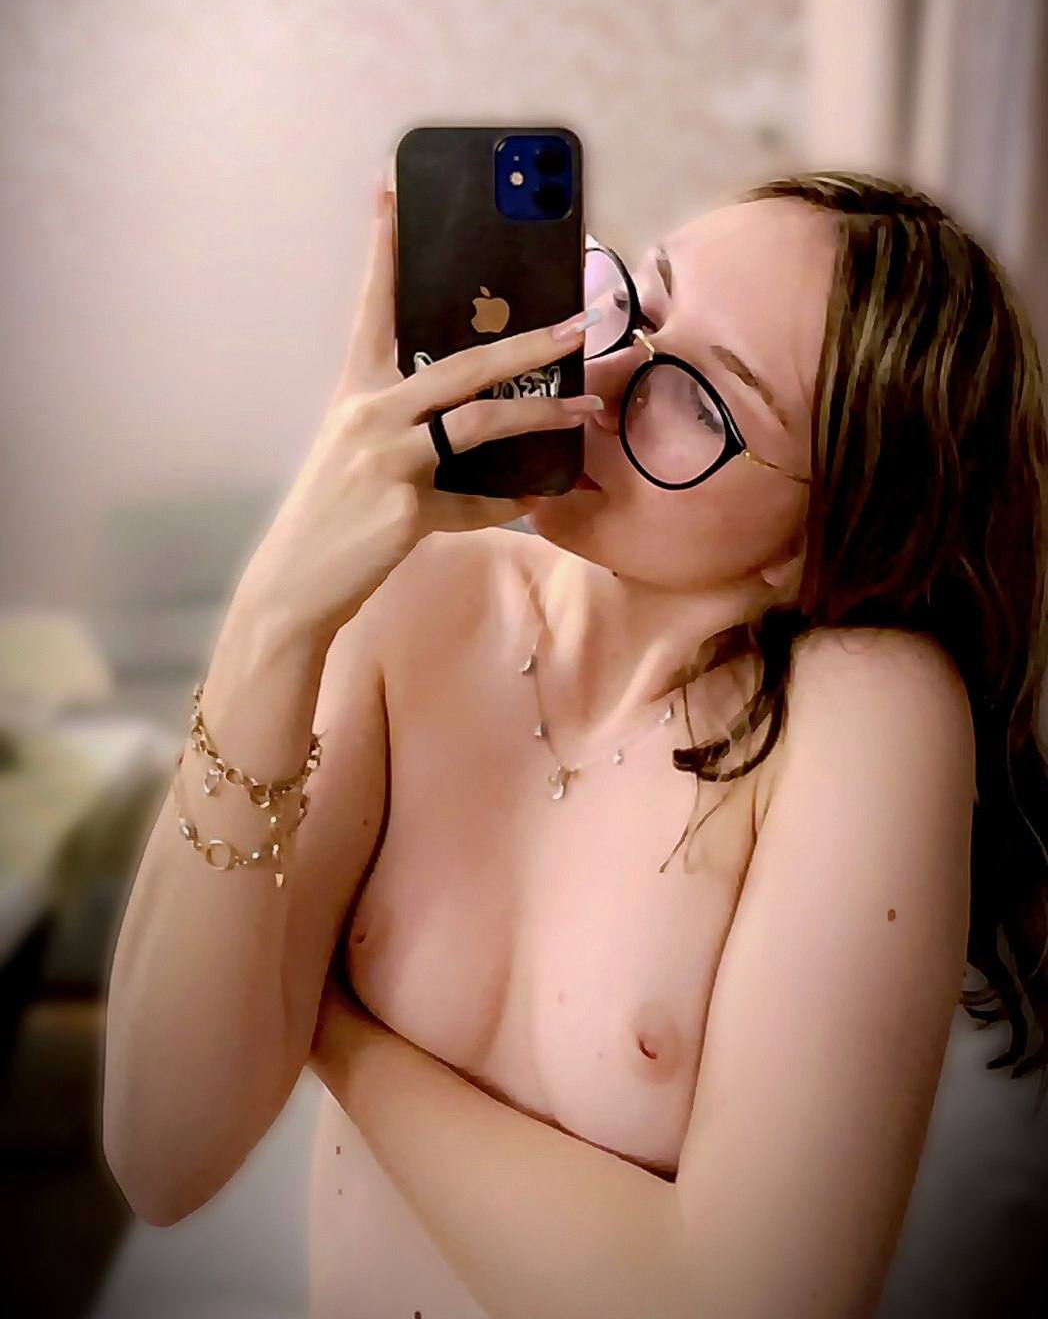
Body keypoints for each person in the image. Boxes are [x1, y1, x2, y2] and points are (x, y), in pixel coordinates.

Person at [103, 168, 1048, 1319]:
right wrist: (276, 613)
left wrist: (334, 1033)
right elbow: (163, 1157)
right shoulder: (418, 602)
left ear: (824, 535)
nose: (592, 378)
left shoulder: (867, 712)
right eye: (638, 300)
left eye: (698, 397)